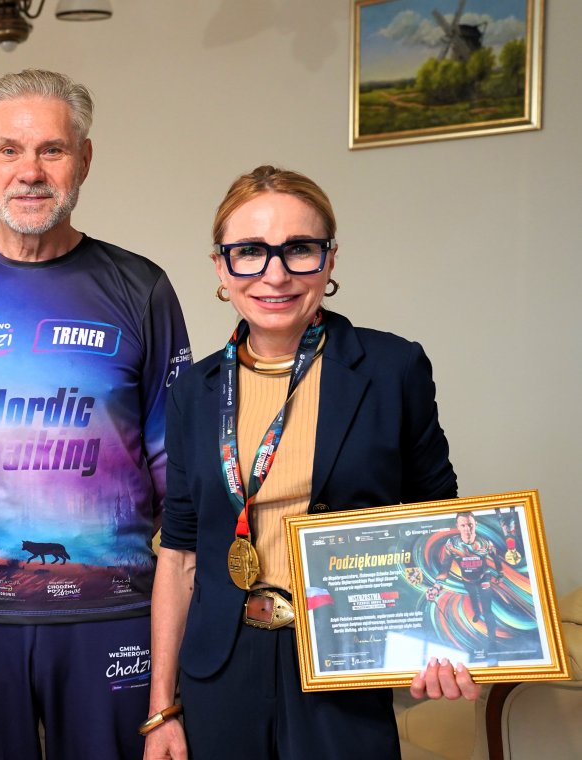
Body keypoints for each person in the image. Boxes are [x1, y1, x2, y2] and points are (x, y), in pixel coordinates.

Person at [0, 69, 191, 759]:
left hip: (113, 616)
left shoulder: (142, 288)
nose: (30, 171)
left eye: (52, 149)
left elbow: (175, 467)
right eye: (10, 150)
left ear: (84, 159)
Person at [144, 165, 477, 760]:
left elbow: (438, 522)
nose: (275, 275)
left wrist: (447, 642)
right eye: (250, 252)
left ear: (329, 260)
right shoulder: (194, 391)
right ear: (220, 267)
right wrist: (161, 709)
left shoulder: (392, 368)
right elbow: (180, 554)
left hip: (344, 661)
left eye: (299, 249)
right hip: (220, 667)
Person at [428, 511, 503, 650]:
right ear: (457, 526)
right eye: (463, 525)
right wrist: (436, 587)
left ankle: (492, 641)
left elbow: (496, 559)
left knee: (487, 609)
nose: (467, 529)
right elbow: (445, 569)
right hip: (467, 580)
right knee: (473, 596)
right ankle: (476, 613)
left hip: (484, 578)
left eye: (470, 525)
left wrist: (500, 574)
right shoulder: (452, 544)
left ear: (476, 524)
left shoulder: (485, 543)